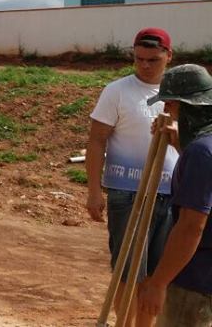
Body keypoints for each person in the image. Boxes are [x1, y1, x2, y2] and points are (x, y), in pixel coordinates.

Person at [87, 27, 177, 326]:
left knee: (156, 275)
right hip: (127, 193)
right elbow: (97, 140)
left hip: (170, 194)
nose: (145, 66)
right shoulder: (117, 91)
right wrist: (94, 191)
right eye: (139, 59)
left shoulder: (181, 94)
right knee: (128, 273)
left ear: (168, 56)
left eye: (153, 60)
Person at [138, 64, 212, 326]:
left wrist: (158, 283)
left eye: (169, 104)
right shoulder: (203, 148)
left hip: (195, 282)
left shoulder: (201, 153)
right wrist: (182, 146)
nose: (167, 110)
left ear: (182, 104)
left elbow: (192, 226)